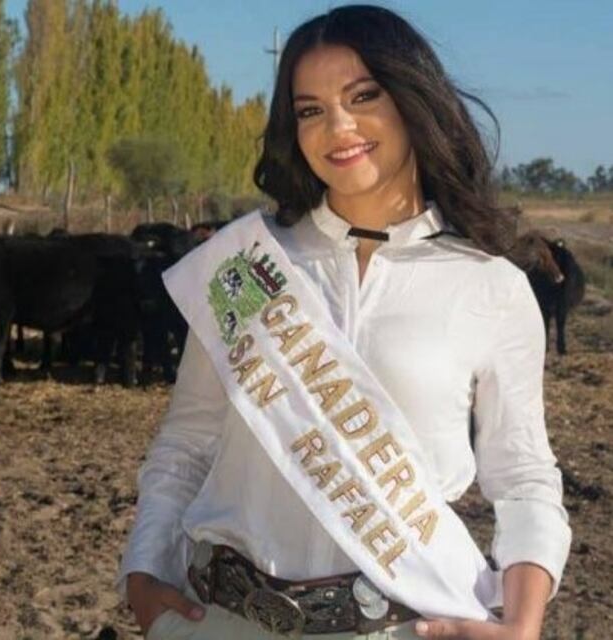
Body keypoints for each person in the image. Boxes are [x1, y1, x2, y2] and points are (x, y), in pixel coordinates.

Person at [117, 5, 571, 640]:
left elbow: (523, 476)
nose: (338, 127)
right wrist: (144, 571)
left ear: (415, 98)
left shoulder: (489, 285)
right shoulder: (247, 269)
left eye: (363, 96)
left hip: (400, 626)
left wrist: (523, 624)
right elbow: (186, 442)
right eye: (310, 110)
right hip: (222, 620)